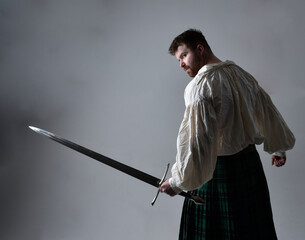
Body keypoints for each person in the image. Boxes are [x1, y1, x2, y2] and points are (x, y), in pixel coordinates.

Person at [160, 29, 295, 239]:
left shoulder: (199, 86)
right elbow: (265, 109)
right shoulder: (240, 74)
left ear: (200, 48)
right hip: (249, 164)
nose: (181, 64)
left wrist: (178, 182)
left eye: (183, 56)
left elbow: (199, 142)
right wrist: (278, 146)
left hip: (214, 172)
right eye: (179, 60)